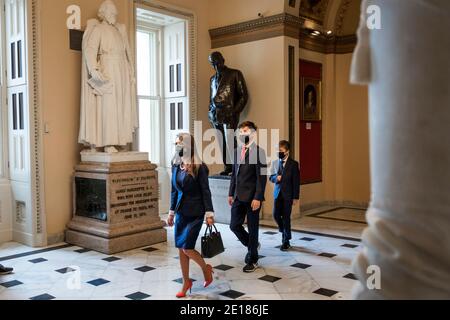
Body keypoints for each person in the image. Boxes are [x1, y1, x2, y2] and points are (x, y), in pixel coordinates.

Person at [167, 133, 215, 298]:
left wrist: (209, 213)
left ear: (189, 145)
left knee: (187, 247)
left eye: (180, 143)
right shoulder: (175, 164)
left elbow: (205, 191)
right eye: (176, 143)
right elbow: (174, 190)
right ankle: (186, 281)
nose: (178, 146)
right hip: (181, 212)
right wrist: (171, 212)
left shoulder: (199, 166)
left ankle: (205, 269)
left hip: (195, 212)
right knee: (181, 248)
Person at [228, 121, 267, 273]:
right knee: (234, 225)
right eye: (241, 131)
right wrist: (231, 193)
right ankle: (252, 244)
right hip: (238, 196)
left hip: (252, 198)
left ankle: (253, 258)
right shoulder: (237, 151)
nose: (243, 134)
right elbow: (234, 175)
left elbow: (261, 178)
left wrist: (258, 197)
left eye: (246, 131)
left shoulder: (260, 152)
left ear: (253, 133)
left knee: (253, 228)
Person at [208, 52, 249, 176]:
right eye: (213, 64)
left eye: (217, 62)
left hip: (230, 114)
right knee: (221, 142)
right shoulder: (212, 79)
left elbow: (243, 95)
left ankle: (237, 166)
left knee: (230, 140)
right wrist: (210, 111)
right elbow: (211, 98)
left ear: (223, 59)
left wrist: (234, 111)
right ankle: (228, 166)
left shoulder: (235, 74)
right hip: (215, 115)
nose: (216, 66)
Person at [269, 140, 300, 251]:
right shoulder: (275, 163)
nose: (279, 152)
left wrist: (295, 197)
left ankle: (285, 241)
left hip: (288, 195)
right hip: (278, 194)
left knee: (286, 217)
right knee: (275, 215)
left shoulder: (294, 164)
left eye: (281, 150)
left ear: (287, 151)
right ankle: (284, 230)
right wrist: (275, 178)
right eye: (278, 150)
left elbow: (296, 182)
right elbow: (270, 177)